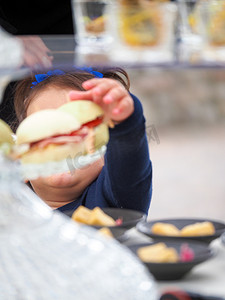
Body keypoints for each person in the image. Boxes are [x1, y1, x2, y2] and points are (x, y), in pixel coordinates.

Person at [13, 67, 152, 216]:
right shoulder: (10, 201)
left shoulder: (114, 199)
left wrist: (124, 123)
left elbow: (128, 162)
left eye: (79, 129)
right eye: (43, 131)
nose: (61, 143)